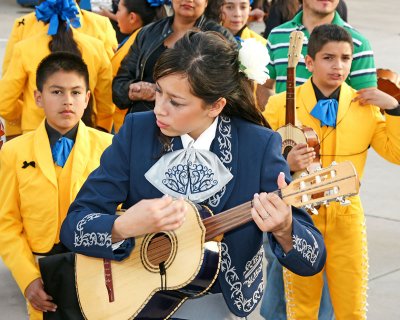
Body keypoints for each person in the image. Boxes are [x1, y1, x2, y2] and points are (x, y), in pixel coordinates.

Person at [60, 31, 326, 319]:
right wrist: (121, 226)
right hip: (131, 292)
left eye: (176, 102)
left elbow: (312, 259)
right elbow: (73, 225)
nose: (159, 109)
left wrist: (285, 229)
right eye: (158, 91)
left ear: (216, 105)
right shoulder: (138, 130)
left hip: (214, 299)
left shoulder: (258, 146)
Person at [264, 24, 400, 319]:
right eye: (328, 58)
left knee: (352, 306)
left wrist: (395, 110)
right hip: (297, 217)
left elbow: (396, 153)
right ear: (309, 62)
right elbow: (257, 158)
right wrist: (285, 164)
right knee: (301, 307)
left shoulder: (365, 107)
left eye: (345, 58)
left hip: (347, 216)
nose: (338, 66)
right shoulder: (280, 104)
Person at [0, 52, 113, 320]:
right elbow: (6, 223)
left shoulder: (109, 147)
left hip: (97, 267)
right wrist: (27, 278)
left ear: (87, 98)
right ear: (38, 97)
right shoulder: (13, 152)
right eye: (57, 91)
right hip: (42, 271)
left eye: (76, 92)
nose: (67, 101)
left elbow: (120, 212)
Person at [1, 0, 117, 139]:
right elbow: (106, 101)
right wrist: (101, 128)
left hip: (33, 134)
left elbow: (5, 100)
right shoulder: (96, 47)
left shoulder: (24, 47)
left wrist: (26, 114)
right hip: (86, 131)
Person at [112, 0, 236, 114]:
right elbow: (119, 86)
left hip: (191, 125)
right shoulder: (148, 32)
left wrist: (164, 93)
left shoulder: (221, 38)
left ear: (206, 2)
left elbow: (233, 91)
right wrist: (135, 91)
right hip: (143, 118)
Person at [111, 0, 157, 133]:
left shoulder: (142, 40)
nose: (116, 15)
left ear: (132, 17)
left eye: (119, 10)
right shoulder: (139, 38)